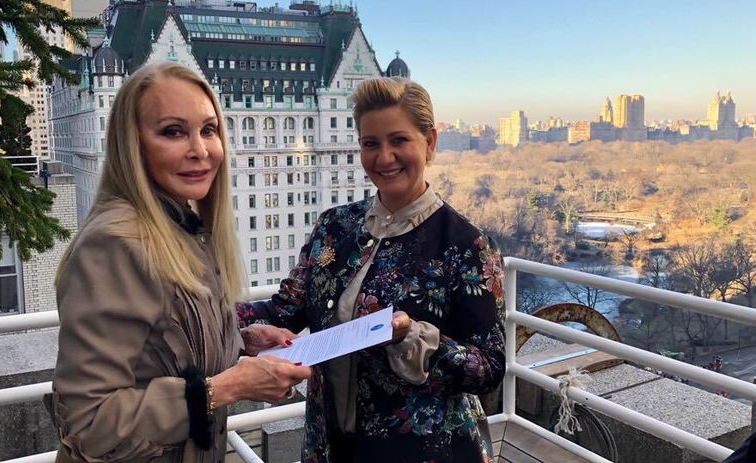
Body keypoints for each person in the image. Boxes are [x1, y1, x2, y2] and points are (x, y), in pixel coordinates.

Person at [46, 62, 311, 463]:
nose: (200, 151)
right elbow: (89, 424)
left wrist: (239, 343)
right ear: (133, 146)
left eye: (209, 130)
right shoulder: (114, 244)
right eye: (173, 132)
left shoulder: (183, 226)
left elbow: (159, 349)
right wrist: (226, 388)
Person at [237, 76, 506, 462]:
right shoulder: (335, 226)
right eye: (371, 143)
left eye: (399, 140)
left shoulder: (466, 244)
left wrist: (411, 337)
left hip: (426, 451)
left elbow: (490, 368)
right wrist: (208, 321)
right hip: (330, 446)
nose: (384, 158)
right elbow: (285, 309)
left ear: (430, 142)